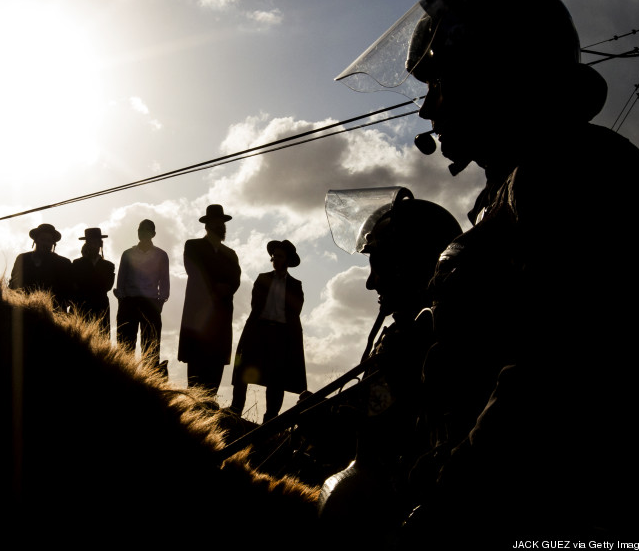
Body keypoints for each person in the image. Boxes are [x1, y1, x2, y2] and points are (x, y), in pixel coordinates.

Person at [335, 0, 639, 544]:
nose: (428, 107)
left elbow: (556, 372)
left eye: (438, 80)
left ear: (495, 72)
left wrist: (444, 509)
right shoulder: (510, 191)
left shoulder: (567, 170)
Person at [316, 189, 462, 546]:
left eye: (376, 266)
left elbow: (382, 435)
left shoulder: (418, 342)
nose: (370, 281)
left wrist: (334, 426)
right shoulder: (417, 333)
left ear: (405, 265)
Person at [229, 240, 305, 423]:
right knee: (243, 372)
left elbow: (295, 311)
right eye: (274, 256)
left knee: (276, 380)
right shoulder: (262, 278)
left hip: (281, 335)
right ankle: (234, 412)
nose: (275, 259)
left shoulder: (296, 285)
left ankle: (270, 421)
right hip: (258, 330)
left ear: (287, 260)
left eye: (280, 256)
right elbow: (255, 305)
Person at [178, 204, 240, 398]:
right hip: (198, 320)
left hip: (220, 322)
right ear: (207, 225)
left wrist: (226, 289)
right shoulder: (193, 245)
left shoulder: (231, 254)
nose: (221, 226)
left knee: (213, 381)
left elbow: (235, 279)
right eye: (216, 222)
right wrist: (215, 290)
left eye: (222, 222)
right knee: (195, 383)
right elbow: (195, 272)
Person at [114, 219, 170, 369]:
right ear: (137, 232)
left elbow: (165, 281)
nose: (143, 233)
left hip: (151, 302)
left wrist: (160, 302)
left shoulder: (161, 255)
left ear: (153, 234)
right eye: (140, 230)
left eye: (147, 230)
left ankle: (149, 382)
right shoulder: (127, 254)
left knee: (151, 347)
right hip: (129, 302)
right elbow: (121, 279)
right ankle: (124, 377)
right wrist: (122, 300)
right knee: (125, 346)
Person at [9, 224, 73, 311]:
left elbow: (67, 293)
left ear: (53, 243)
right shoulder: (23, 259)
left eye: (49, 240)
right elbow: (13, 285)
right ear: (35, 240)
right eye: (42, 239)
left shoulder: (63, 263)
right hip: (23, 310)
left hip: (53, 316)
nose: (45, 243)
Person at [70, 228, 115, 339]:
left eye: (95, 243)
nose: (93, 246)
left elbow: (107, 286)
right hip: (81, 306)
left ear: (100, 244)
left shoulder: (109, 266)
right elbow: (73, 284)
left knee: (102, 338)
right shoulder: (77, 263)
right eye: (90, 243)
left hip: (100, 307)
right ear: (86, 245)